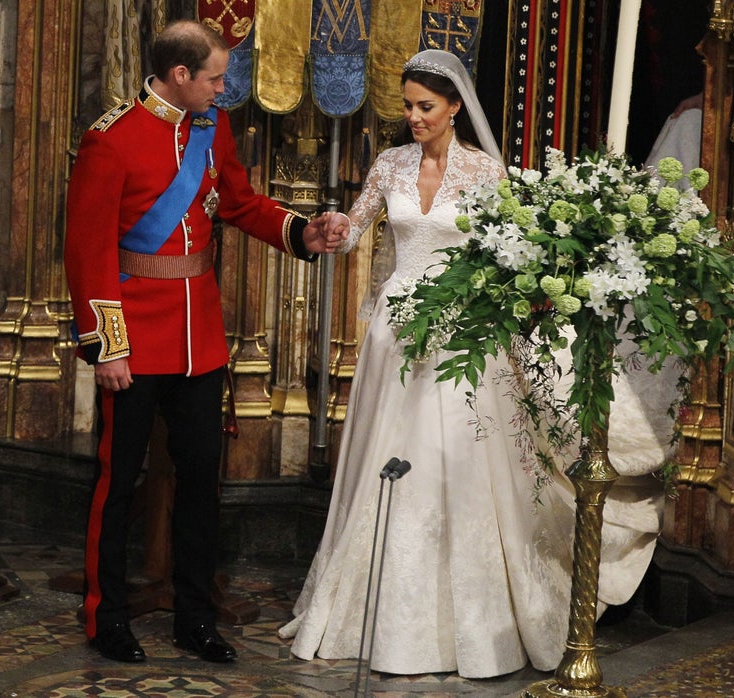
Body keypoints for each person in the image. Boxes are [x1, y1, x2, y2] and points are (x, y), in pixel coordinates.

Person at [278, 49, 680, 678]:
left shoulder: (484, 172)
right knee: (391, 458)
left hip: (464, 337)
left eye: (425, 106)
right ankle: (368, 610)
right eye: (408, 105)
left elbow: (509, 255)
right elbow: (354, 231)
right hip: (396, 335)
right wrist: (329, 226)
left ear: (455, 107)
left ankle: (468, 619)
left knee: (455, 462)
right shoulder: (389, 165)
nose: (413, 116)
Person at [64, 19, 345, 665]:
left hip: (199, 339)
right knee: (118, 483)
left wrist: (303, 233)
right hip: (133, 339)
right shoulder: (110, 140)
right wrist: (109, 349)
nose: (225, 88)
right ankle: (105, 617)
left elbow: (241, 203)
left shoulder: (211, 130)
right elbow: (88, 253)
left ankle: (196, 617)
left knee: (200, 486)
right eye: (216, 77)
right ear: (180, 74)